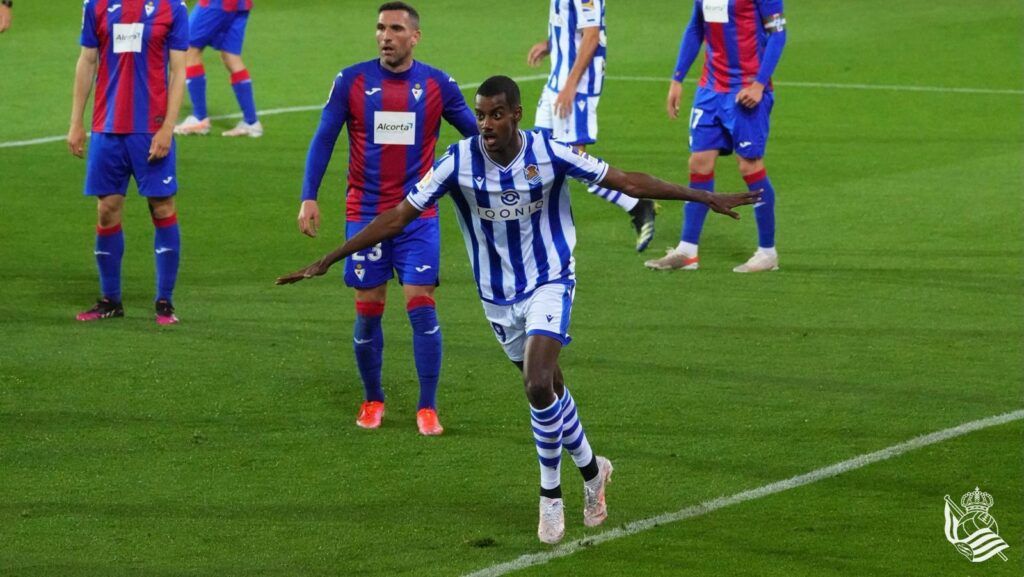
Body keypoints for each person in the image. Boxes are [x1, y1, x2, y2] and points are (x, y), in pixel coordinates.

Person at [277, 76, 758, 543]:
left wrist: (704, 195)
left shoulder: (548, 152)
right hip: (496, 296)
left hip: (550, 279)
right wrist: (328, 259)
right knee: (552, 389)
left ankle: (551, 494)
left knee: (536, 383)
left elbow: (626, 179)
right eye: (481, 115)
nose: (485, 124)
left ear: (516, 116)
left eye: (496, 115)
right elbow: (398, 216)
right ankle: (593, 470)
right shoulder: (457, 161)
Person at [296, 2, 478, 436]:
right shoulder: (352, 80)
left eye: (395, 28)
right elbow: (324, 138)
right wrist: (309, 197)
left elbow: (476, 135)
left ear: (414, 37)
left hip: (417, 214)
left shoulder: (437, 85)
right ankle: (372, 398)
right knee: (369, 308)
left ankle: (427, 406)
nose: (385, 36)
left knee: (421, 305)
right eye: (380, 28)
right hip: (365, 214)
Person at [68, 0, 188, 325]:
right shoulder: (95, 6)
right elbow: (87, 60)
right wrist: (76, 122)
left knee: (162, 207)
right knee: (107, 209)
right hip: (106, 128)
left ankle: (165, 301)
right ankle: (110, 300)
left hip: (151, 127)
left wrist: (167, 127)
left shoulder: (172, 8)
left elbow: (179, 71)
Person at [646, 0, 787, 272]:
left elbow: (778, 34)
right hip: (710, 90)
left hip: (747, 91)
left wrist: (759, 85)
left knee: (749, 166)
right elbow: (696, 27)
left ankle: (767, 252)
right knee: (698, 163)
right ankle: (687, 251)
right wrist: (677, 78)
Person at [527, 0, 658, 253]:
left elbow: (591, 36)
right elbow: (572, 25)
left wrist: (570, 85)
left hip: (576, 89)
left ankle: (637, 204)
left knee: (579, 164)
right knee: (537, 155)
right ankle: (538, 232)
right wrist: (550, 44)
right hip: (557, 82)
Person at [174, 0, 262, 137]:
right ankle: (251, 123)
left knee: (190, 49)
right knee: (231, 56)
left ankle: (199, 119)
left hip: (216, 4)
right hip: (241, 4)